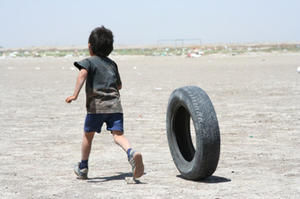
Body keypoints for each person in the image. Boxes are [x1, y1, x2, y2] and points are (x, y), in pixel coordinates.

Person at [65, 26, 144, 180]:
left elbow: (82, 74)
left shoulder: (88, 62)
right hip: (115, 106)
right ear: (110, 48)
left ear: (90, 46)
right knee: (118, 136)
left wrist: (75, 94)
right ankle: (131, 153)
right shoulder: (112, 64)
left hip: (96, 107)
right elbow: (119, 85)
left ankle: (83, 167)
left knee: (88, 136)